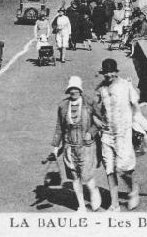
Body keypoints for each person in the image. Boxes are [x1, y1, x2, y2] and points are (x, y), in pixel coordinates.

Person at [94, 59, 141, 211]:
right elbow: (96, 111)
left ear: (116, 72)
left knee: (124, 168)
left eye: (111, 72)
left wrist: (137, 126)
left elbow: (136, 106)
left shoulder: (125, 86)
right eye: (106, 72)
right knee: (109, 168)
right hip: (106, 134)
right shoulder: (100, 89)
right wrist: (97, 121)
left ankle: (133, 189)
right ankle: (114, 205)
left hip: (123, 133)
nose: (109, 75)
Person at [51, 76, 102, 213]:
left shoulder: (89, 103)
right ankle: (81, 206)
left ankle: (93, 192)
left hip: (86, 146)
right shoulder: (62, 106)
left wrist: (91, 132)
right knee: (75, 177)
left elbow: (100, 122)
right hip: (69, 146)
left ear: (80, 90)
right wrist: (56, 145)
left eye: (76, 89)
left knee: (87, 176)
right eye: (71, 89)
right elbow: (59, 127)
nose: (74, 91)